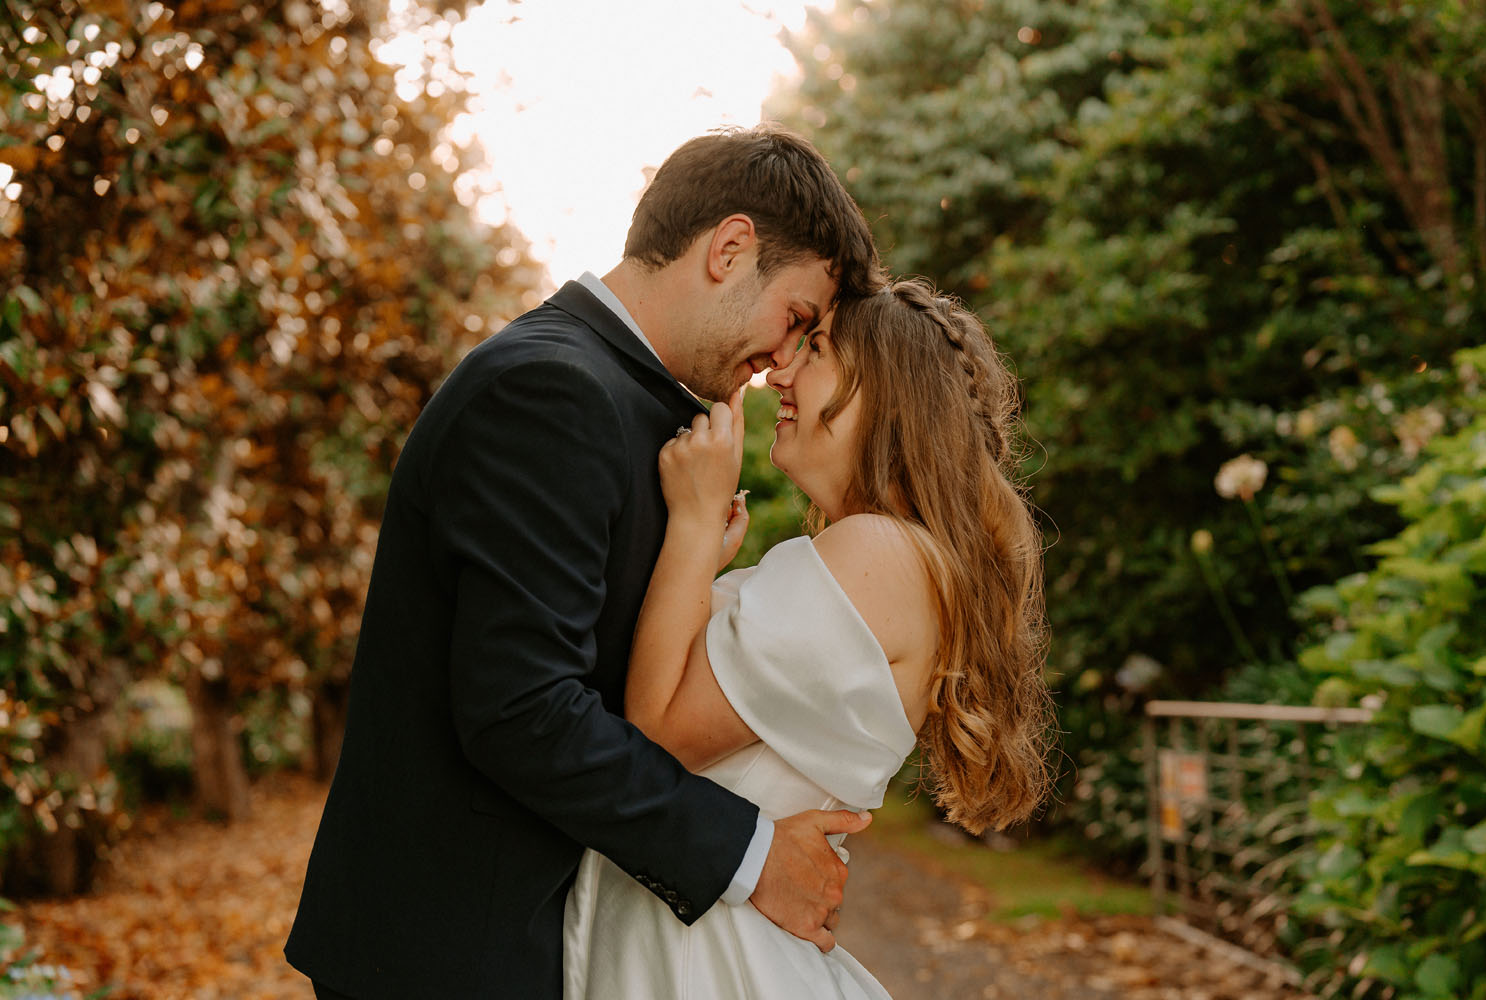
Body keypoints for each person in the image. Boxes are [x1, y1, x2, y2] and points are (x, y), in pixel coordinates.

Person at [284, 124, 883, 999]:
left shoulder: (625, 401)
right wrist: (751, 855)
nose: (783, 362)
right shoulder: (551, 391)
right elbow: (522, 708)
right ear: (729, 248)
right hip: (457, 959)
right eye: (794, 318)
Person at [562, 279, 1056, 998]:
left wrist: (695, 528)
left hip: (708, 960)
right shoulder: (895, 560)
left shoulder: (879, 553)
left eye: (816, 350)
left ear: (888, 393)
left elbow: (657, 735)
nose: (778, 373)